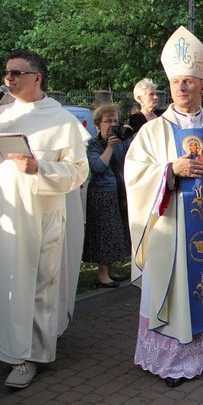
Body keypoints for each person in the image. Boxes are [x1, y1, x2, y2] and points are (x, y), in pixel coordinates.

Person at [125, 26, 203, 388]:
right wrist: (170, 170)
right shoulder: (152, 132)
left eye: (189, 81)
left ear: (202, 86)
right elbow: (134, 177)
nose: (182, 87)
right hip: (172, 233)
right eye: (177, 81)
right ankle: (174, 362)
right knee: (178, 290)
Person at [0, 49, 89, 388]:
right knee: (9, 281)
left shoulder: (61, 119)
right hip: (5, 216)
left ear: (37, 78)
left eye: (17, 72)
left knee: (39, 284)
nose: (9, 78)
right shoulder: (0, 115)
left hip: (42, 212)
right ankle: (9, 348)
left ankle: (33, 356)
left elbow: (79, 171)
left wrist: (41, 168)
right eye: (7, 72)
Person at [81, 104, 131, 287]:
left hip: (119, 191)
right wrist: (109, 147)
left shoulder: (122, 141)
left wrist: (129, 135)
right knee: (104, 233)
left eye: (115, 121)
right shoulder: (93, 144)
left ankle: (109, 270)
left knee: (116, 231)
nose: (112, 124)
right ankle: (102, 274)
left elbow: (132, 159)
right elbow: (98, 167)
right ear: (98, 123)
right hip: (101, 193)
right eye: (108, 121)